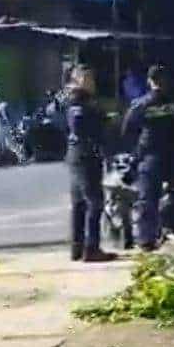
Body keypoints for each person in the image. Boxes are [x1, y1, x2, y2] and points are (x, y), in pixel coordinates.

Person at [124, 65, 174, 251]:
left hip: (152, 157)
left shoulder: (142, 104)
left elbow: (127, 130)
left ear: (149, 82)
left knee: (148, 199)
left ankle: (147, 240)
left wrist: (134, 154)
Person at [64, 66, 116, 262]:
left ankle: (77, 248)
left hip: (78, 155)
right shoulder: (78, 101)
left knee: (79, 203)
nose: (91, 83)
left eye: (91, 79)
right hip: (85, 155)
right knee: (94, 202)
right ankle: (91, 248)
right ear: (77, 81)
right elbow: (79, 124)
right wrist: (101, 121)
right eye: (86, 79)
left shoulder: (82, 101)